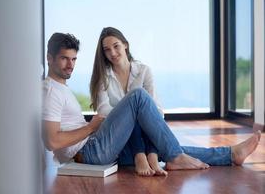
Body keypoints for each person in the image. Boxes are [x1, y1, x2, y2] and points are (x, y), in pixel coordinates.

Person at [42, 32, 261, 176]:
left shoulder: (60, 87)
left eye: (73, 59)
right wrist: (91, 127)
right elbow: (52, 141)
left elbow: (155, 111)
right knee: (137, 97)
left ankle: (230, 154)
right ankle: (175, 157)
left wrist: (96, 127)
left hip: (96, 148)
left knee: (168, 147)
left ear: (126, 46)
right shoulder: (51, 90)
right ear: (49, 58)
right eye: (64, 59)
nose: (70, 65)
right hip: (90, 153)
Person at [90, 27, 166, 176]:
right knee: (135, 112)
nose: (112, 53)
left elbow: (157, 111)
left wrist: (136, 112)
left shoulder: (144, 71)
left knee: (147, 113)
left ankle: (151, 155)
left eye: (116, 46)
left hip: (145, 132)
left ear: (126, 45)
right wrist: (129, 112)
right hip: (118, 135)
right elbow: (103, 110)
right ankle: (140, 155)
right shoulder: (103, 77)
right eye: (107, 50)